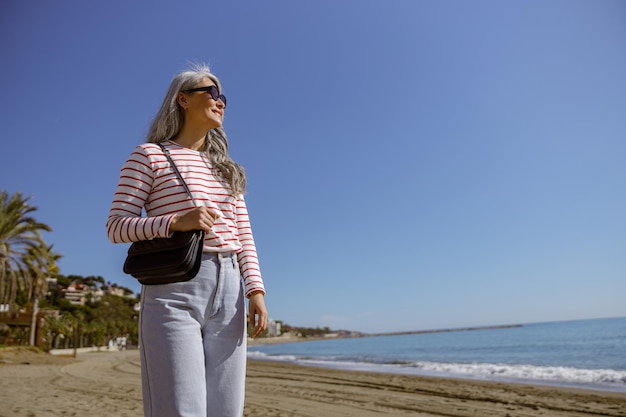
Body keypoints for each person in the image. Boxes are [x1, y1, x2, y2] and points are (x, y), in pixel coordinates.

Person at [106, 64, 267, 417]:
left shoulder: (228, 170)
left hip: (231, 290)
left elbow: (244, 235)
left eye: (222, 96)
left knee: (227, 410)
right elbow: (117, 226)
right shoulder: (148, 155)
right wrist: (175, 222)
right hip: (174, 289)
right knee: (180, 409)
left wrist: (255, 291)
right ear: (183, 100)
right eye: (210, 93)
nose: (220, 101)